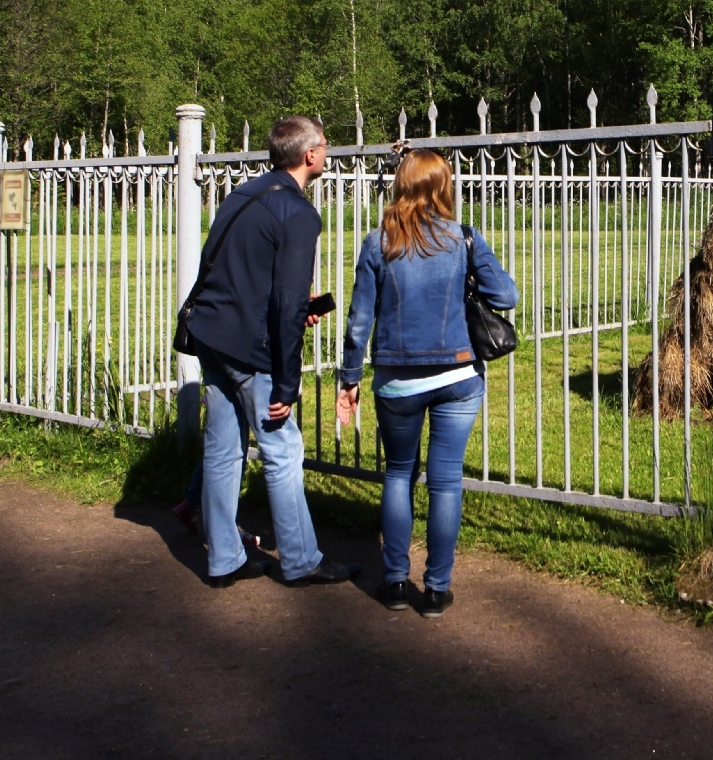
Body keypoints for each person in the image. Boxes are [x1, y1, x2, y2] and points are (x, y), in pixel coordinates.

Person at [180, 115, 359, 588]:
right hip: (248, 347)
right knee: (282, 447)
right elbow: (284, 302)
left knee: (222, 449)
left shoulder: (244, 195)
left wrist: (295, 307)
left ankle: (224, 560)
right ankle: (300, 560)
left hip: (212, 337)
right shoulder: (298, 213)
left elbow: (242, 272)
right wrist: (287, 380)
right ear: (310, 155)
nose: (327, 150)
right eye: (324, 143)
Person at [337, 149, 516, 617]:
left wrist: (349, 378)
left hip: (397, 382)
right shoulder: (464, 239)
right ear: (443, 187)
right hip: (458, 374)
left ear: (401, 184)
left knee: (398, 473)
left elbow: (359, 321)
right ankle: (436, 590)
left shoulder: (378, 243)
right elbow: (507, 295)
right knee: (445, 481)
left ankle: (395, 582)